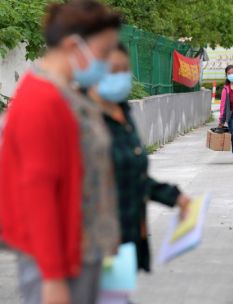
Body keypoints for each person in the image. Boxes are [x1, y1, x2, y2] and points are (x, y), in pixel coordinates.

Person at [0, 1, 121, 303]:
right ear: (72, 45)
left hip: (83, 251)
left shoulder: (65, 91)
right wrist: (52, 277)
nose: (107, 62)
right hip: (60, 262)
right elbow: (37, 191)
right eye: (104, 52)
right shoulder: (40, 99)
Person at [88, 44, 192, 303]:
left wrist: (174, 197)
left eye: (124, 69)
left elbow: (132, 177)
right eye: (112, 69)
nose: (119, 75)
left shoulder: (122, 114)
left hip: (126, 236)